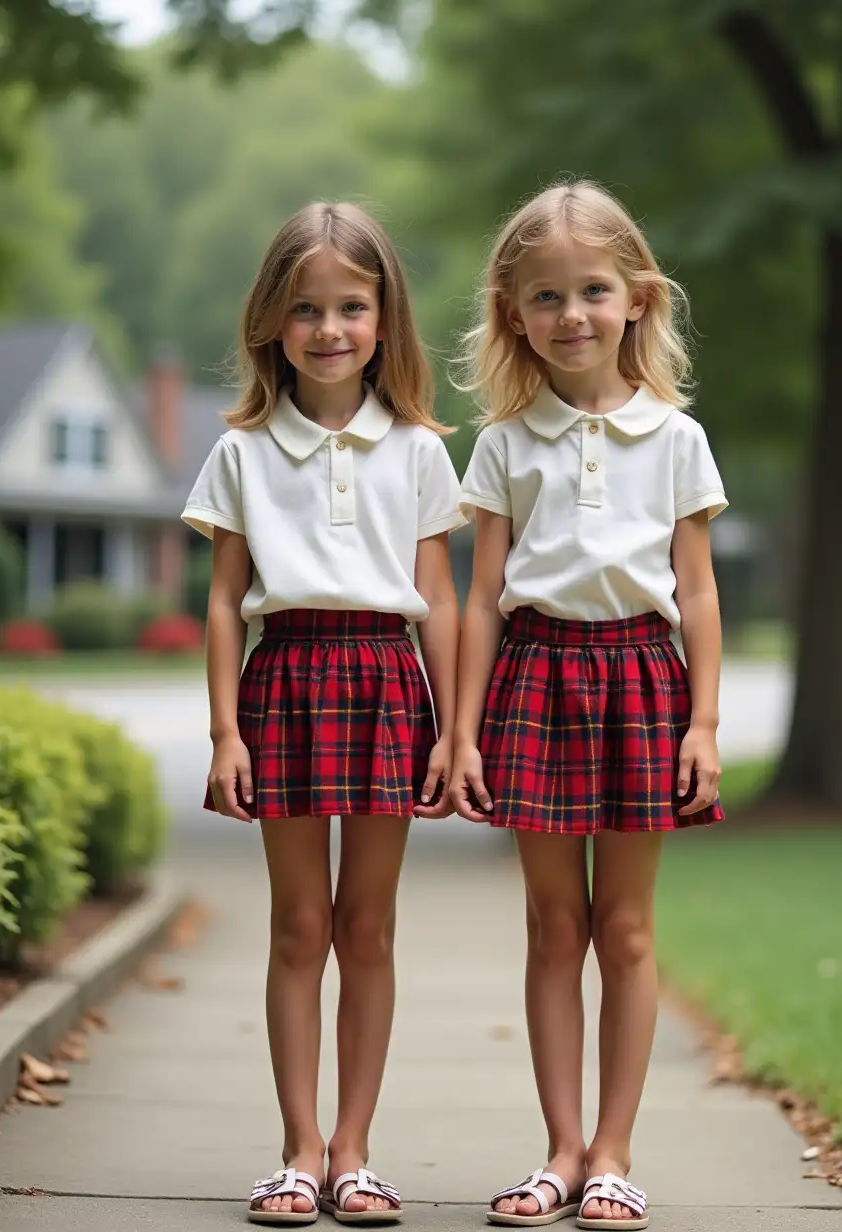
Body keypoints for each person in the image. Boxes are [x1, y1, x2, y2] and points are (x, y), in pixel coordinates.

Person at [450, 181, 727, 1230]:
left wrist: (701, 721)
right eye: (545, 296)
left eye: (592, 290)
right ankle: (560, 1147)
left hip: (640, 683)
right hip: (534, 677)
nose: (571, 314)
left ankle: (615, 1150)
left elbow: (696, 590)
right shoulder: (504, 442)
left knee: (624, 924)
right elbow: (480, 595)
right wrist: (463, 728)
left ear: (637, 299)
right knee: (551, 922)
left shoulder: (675, 437)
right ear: (512, 313)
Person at [182, 202, 464, 1226]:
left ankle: (355, 1150)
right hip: (286, 680)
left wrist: (450, 728)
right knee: (300, 924)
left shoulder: (424, 451)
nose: (331, 328)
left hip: (389, 682)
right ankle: (297, 1148)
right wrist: (224, 731)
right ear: (270, 321)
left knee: (369, 925)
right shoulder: (243, 451)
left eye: (352, 305)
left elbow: (440, 598)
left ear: (385, 321)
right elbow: (221, 601)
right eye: (307, 308)